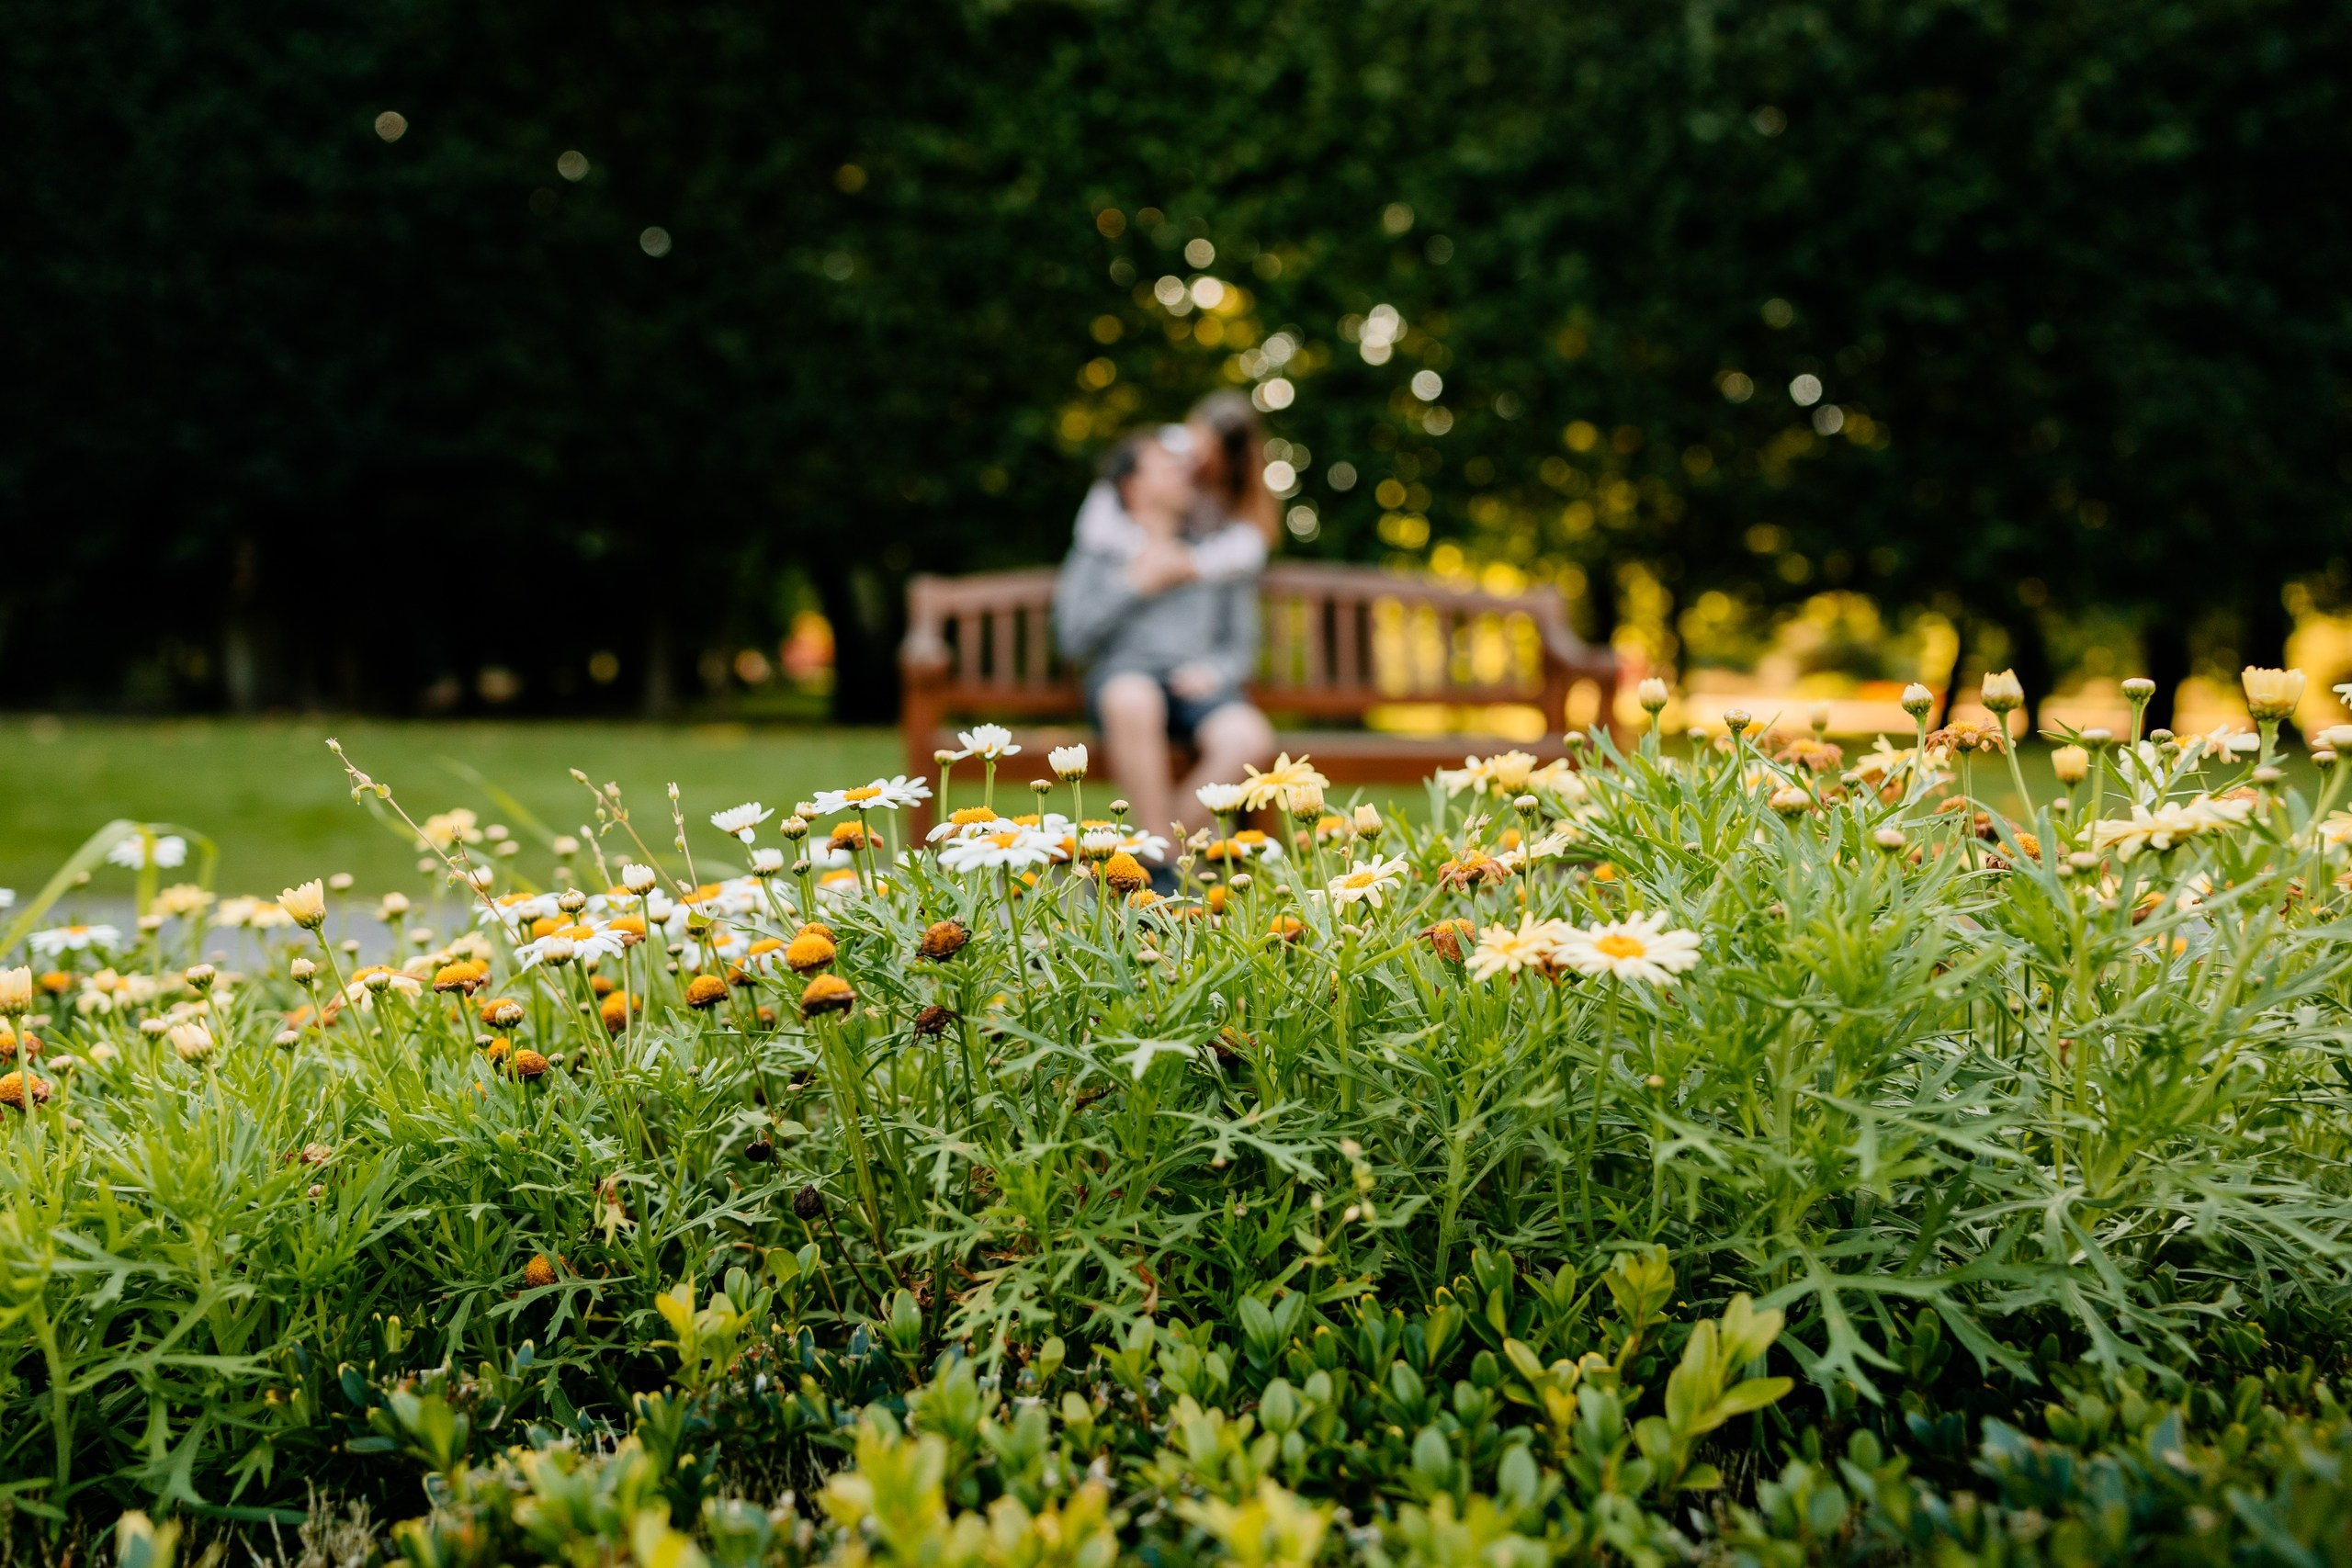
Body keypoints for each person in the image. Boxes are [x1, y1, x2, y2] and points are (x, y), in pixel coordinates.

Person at [1053, 428, 1276, 846]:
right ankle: (1168, 851)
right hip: (1125, 677)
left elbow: (1240, 645)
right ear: (1132, 486)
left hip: (1199, 685)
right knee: (1133, 698)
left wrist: (1216, 670)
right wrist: (1134, 584)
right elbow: (1071, 636)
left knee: (1248, 735)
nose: (1183, 471)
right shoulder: (1098, 551)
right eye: (1165, 465)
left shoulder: (1218, 553)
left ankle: (1158, 855)